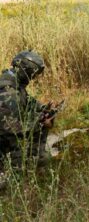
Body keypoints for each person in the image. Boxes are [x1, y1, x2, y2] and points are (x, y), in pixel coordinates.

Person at [0, 50, 53, 185]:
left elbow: (27, 101)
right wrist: (39, 123)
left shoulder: (13, 82)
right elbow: (10, 129)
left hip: (5, 139)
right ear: (26, 70)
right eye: (32, 74)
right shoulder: (8, 91)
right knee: (11, 181)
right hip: (4, 140)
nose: (33, 78)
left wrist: (43, 108)